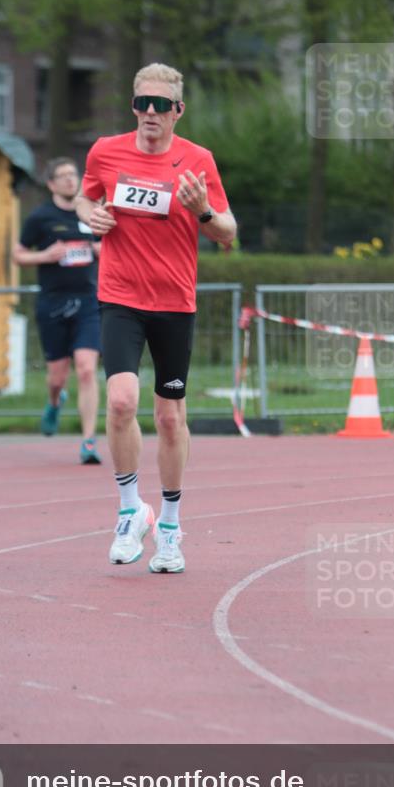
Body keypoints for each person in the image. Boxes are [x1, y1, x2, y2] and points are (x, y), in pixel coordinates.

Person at [75, 63, 236, 571]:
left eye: (160, 105)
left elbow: (228, 233)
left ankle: (169, 526)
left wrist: (203, 210)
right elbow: (85, 195)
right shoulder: (105, 151)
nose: (149, 112)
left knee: (170, 417)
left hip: (173, 301)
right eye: (141, 102)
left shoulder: (197, 160)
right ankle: (130, 511)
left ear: (177, 112)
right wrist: (89, 214)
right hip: (120, 296)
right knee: (121, 401)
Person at [14, 158, 102, 464]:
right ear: (51, 184)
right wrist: (46, 256)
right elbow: (18, 255)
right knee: (56, 377)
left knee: (87, 368)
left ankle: (89, 441)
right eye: (62, 176)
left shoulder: (90, 214)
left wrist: (97, 250)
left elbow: (110, 247)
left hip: (88, 301)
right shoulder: (40, 217)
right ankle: (54, 401)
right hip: (53, 303)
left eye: (72, 174)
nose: (69, 180)